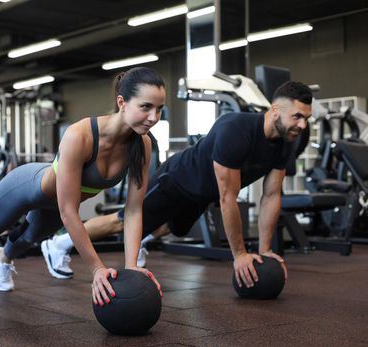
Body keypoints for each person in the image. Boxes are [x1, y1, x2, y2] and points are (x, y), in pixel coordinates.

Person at [0, 66, 165, 306]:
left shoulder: (142, 145)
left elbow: (132, 210)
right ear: (122, 102)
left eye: (159, 108)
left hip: (54, 204)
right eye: (145, 107)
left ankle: (2, 258)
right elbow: (69, 211)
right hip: (27, 186)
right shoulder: (81, 135)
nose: (154, 117)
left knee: (28, 239)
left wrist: (132, 268)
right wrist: (97, 268)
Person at [41, 80, 313, 289]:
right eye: (297, 117)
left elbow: (271, 194)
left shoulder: (289, 140)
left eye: (306, 118)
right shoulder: (237, 130)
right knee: (124, 221)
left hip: (199, 194)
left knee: (172, 228)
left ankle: (142, 240)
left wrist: (265, 250)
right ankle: (59, 244)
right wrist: (240, 254)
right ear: (276, 109)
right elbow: (228, 197)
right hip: (177, 180)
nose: (302, 125)